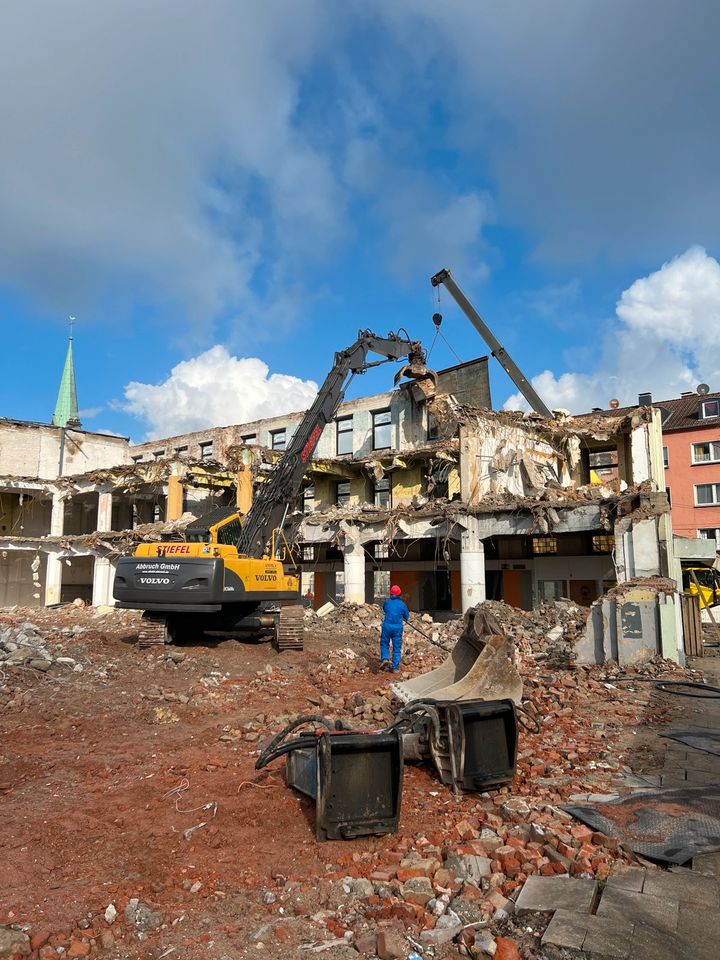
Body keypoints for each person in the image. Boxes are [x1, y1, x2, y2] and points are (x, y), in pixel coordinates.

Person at [380, 584, 409, 672]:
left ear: (391, 593)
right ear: (399, 594)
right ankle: (395, 667)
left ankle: (385, 658)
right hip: (397, 627)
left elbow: (385, 609)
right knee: (397, 647)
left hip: (387, 626)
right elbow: (406, 616)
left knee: (384, 643)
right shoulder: (402, 604)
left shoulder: (387, 602)